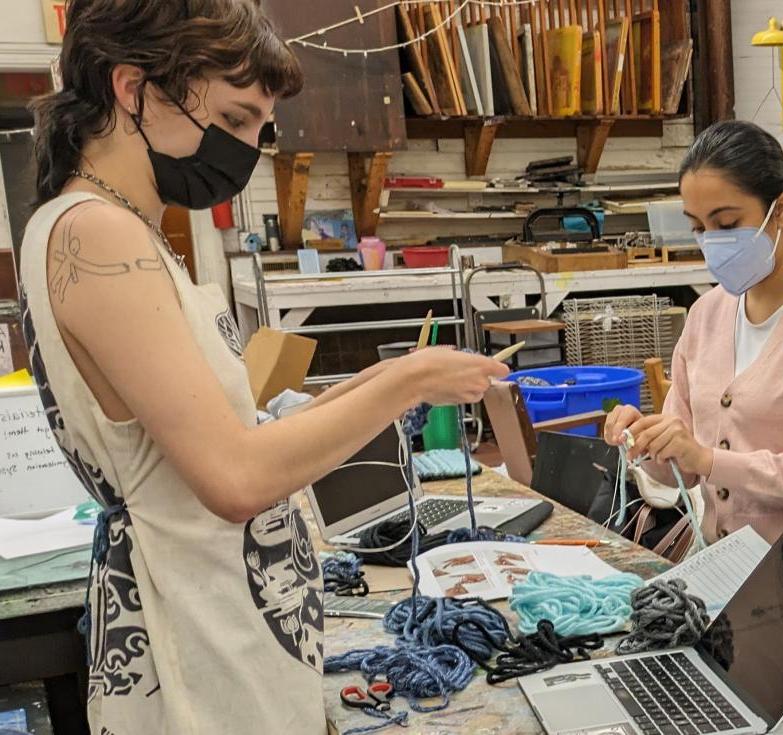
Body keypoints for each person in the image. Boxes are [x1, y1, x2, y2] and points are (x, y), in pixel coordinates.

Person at [17, 2, 510, 732]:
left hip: (224, 627)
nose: (248, 146)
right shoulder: (96, 235)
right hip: (202, 650)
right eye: (235, 115)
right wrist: (409, 383)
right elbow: (236, 477)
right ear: (132, 88)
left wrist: (397, 373)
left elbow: (230, 435)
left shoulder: (114, 227)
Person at [602, 120, 783, 665]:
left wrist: (709, 458)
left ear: (780, 209)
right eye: (697, 226)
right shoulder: (707, 314)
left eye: (726, 222)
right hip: (732, 575)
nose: (711, 242)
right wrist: (646, 443)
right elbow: (687, 467)